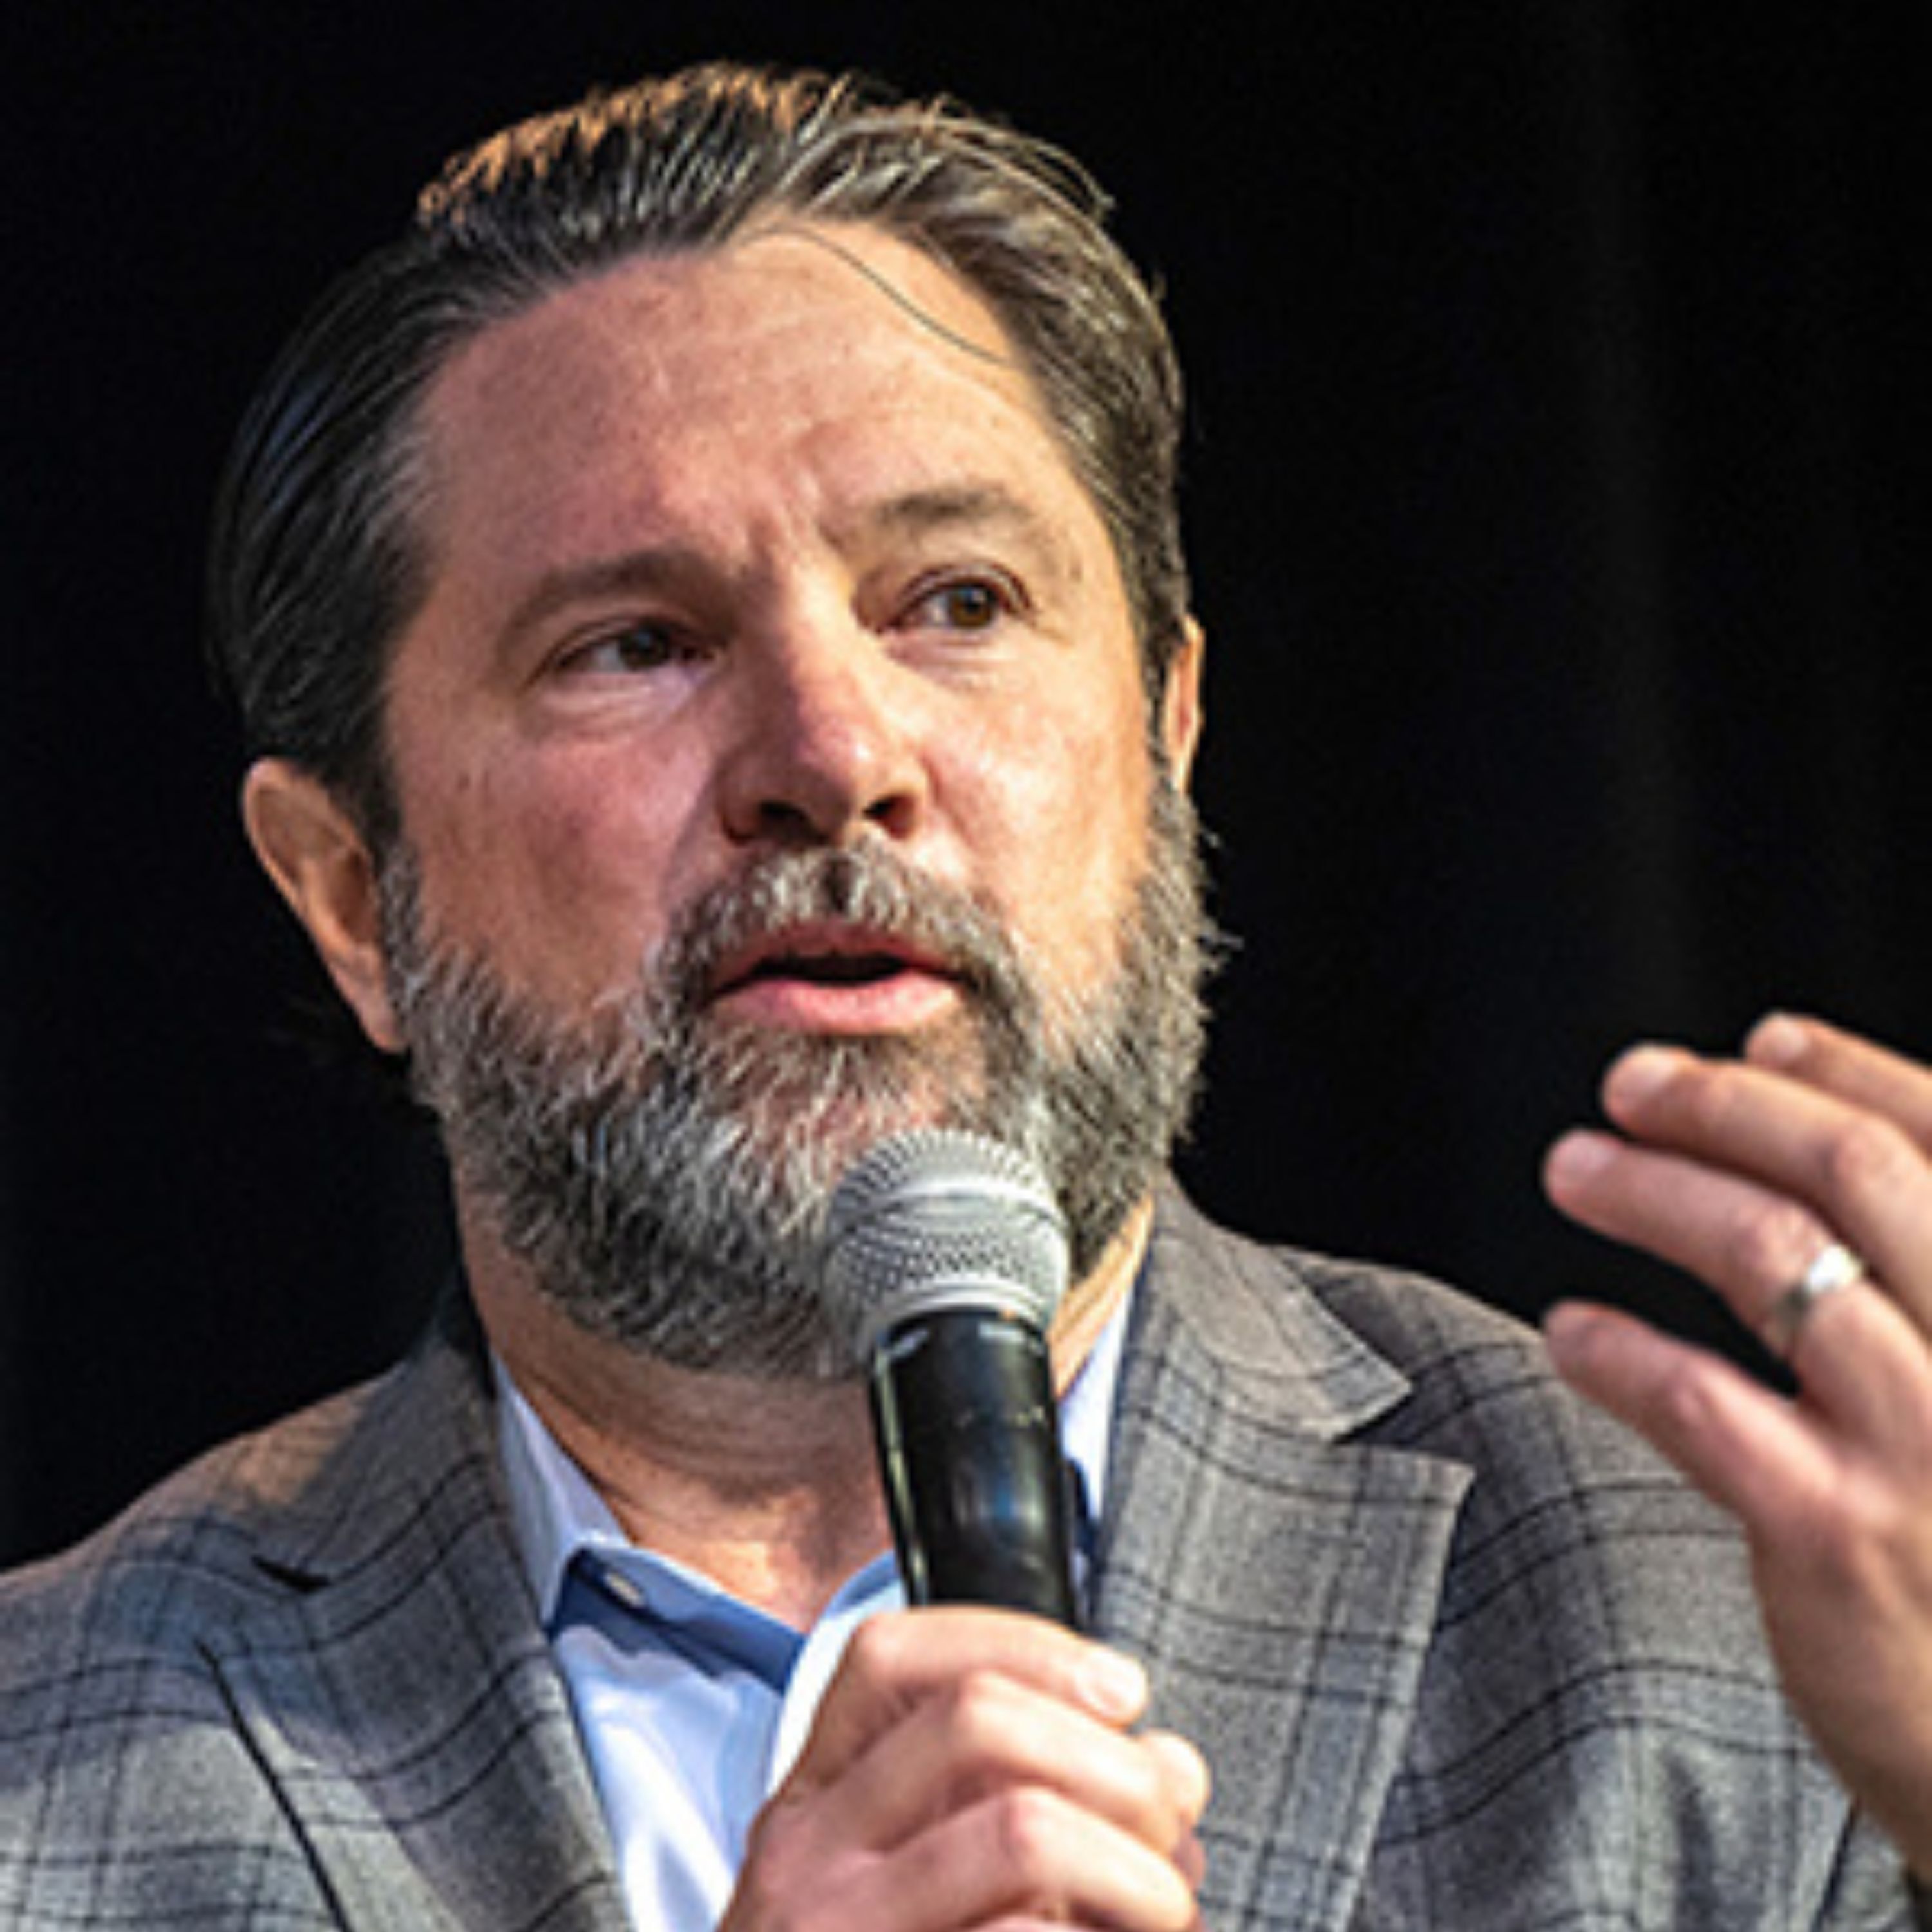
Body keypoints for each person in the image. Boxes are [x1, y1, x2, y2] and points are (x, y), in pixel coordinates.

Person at [0, 59, 1926, 1929]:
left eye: (958, 603)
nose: (834, 755)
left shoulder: (1748, 1637)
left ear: (1167, 739)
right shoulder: (45, 1777)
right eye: (637, 644)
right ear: (352, 897)